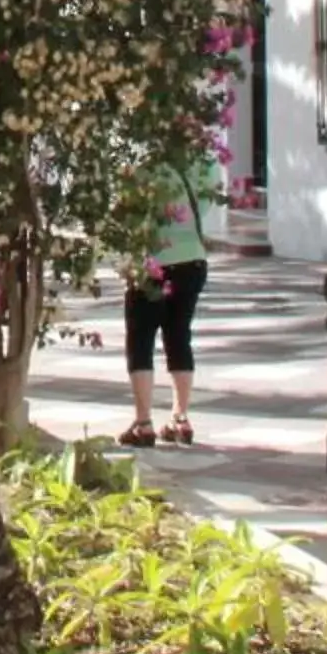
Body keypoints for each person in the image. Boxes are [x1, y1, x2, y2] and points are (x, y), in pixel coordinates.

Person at [119, 153, 216, 448]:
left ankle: (143, 422)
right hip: (193, 260)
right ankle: (181, 417)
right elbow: (206, 204)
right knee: (178, 336)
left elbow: (128, 214)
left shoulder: (145, 168)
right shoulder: (206, 163)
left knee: (141, 338)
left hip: (154, 262)